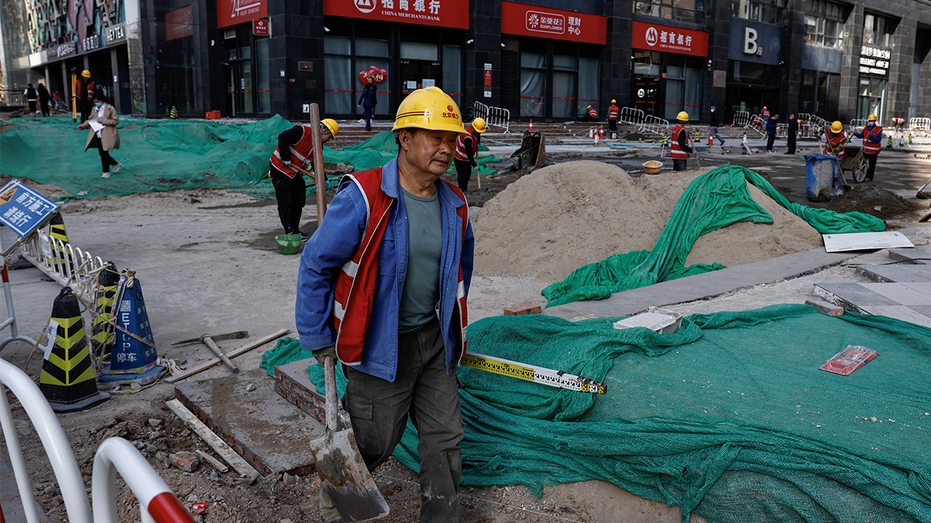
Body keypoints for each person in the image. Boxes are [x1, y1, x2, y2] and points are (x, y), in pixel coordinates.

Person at [296, 86, 474, 523]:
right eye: (435, 138)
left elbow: (459, 273)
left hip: (432, 342)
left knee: (445, 438)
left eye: (451, 140)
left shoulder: (455, 204)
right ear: (404, 138)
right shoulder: (364, 195)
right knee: (374, 441)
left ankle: (442, 517)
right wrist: (319, 336)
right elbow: (316, 263)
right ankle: (337, 503)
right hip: (377, 343)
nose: (446, 149)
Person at [269, 118, 339, 237]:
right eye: (329, 137)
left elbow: (317, 165)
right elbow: (283, 137)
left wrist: (324, 179)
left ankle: (296, 230)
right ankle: (290, 232)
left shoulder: (318, 147)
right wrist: (285, 156)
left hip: (295, 172)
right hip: (280, 169)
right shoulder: (301, 131)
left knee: (298, 200)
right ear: (324, 130)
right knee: (285, 200)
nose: (328, 141)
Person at [78, 90, 122, 179]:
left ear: (102, 100)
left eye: (97, 102)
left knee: (104, 152)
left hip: (107, 133)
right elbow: (90, 119)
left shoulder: (110, 108)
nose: (96, 103)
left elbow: (116, 121)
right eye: (94, 102)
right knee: (102, 153)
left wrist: (104, 121)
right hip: (97, 133)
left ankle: (106, 171)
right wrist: (83, 126)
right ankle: (115, 163)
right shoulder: (94, 109)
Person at [454, 117, 486, 192]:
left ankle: (464, 189)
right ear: (474, 129)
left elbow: (478, 136)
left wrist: (478, 144)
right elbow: (469, 154)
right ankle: (462, 191)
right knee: (463, 174)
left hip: (467, 156)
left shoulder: (475, 130)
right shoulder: (467, 137)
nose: (479, 133)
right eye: (478, 131)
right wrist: (474, 165)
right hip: (459, 155)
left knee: (468, 173)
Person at [853, 114, 882, 181]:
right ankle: (864, 175)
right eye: (869, 121)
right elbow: (861, 135)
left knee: (871, 165)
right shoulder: (866, 128)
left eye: (871, 121)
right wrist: (855, 133)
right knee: (863, 164)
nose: (870, 122)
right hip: (865, 150)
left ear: (874, 121)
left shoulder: (878, 130)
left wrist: (872, 137)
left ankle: (869, 177)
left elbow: (878, 139)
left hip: (873, 151)